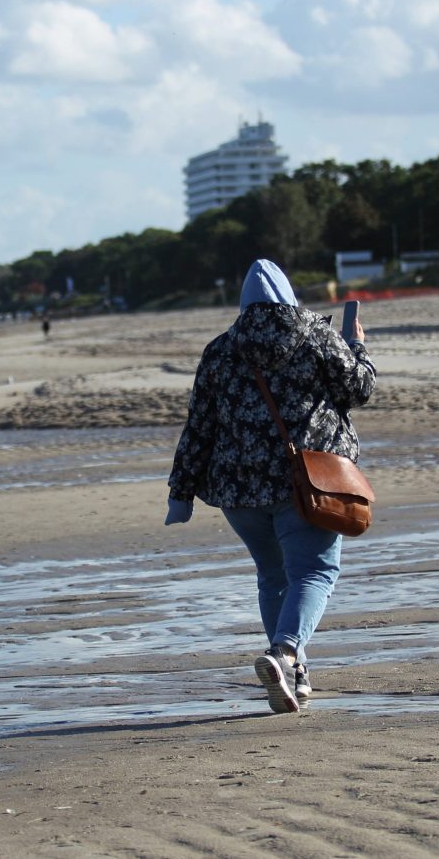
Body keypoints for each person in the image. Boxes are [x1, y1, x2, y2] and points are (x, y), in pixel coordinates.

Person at [165, 258, 375, 714]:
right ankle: (284, 653)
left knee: (273, 575)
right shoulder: (318, 337)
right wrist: (357, 347)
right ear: (289, 298)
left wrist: (180, 493)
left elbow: (198, 427)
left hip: (237, 490)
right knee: (315, 572)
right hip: (309, 480)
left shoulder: (220, 350)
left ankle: (294, 676)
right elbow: (358, 389)